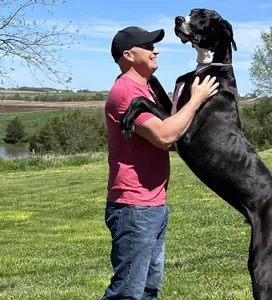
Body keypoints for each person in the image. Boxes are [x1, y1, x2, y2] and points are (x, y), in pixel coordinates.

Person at [102, 26, 219, 300]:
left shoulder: (149, 90)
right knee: (127, 293)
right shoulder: (126, 93)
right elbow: (166, 135)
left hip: (153, 205)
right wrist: (198, 97)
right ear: (129, 55)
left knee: (148, 291)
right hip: (134, 207)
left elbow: (173, 137)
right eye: (148, 46)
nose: (156, 50)